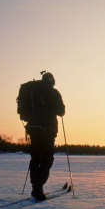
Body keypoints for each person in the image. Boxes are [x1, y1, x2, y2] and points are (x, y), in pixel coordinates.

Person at [25, 72, 65, 201]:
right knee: (47, 160)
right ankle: (38, 188)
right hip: (47, 131)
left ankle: (35, 187)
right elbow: (61, 111)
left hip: (33, 130)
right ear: (52, 81)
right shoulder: (53, 93)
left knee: (36, 159)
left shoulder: (32, 91)